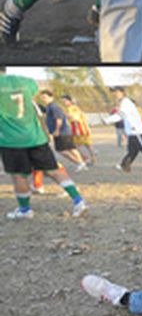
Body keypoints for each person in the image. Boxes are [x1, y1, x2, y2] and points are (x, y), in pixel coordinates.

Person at [1, 71, 88, 219]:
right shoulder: (25, 80)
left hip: (11, 140)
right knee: (54, 170)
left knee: (19, 176)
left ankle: (25, 210)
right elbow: (33, 94)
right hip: (36, 137)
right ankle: (79, 200)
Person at [106, 87, 142, 173]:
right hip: (132, 131)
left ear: (122, 93)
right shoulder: (124, 102)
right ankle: (124, 165)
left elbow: (120, 115)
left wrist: (107, 120)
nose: (115, 95)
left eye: (116, 92)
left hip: (135, 130)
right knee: (132, 151)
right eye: (114, 93)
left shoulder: (126, 102)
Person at [37, 89, 87, 171]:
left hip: (62, 132)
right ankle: (81, 163)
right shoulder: (49, 107)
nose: (43, 99)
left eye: (45, 97)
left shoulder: (54, 107)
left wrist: (57, 130)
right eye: (42, 97)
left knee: (62, 150)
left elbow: (59, 119)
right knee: (70, 148)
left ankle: (80, 163)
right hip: (62, 131)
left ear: (51, 97)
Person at [63, 94, 97, 166]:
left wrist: (77, 129)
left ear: (70, 101)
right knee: (88, 145)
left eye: (65, 101)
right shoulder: (76, 107)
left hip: (78, 128)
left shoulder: (71, 108)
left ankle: (86, 159)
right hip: (85, 128)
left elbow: (75, 119)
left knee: (76, 145)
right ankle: (93, 158)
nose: (64, 103)